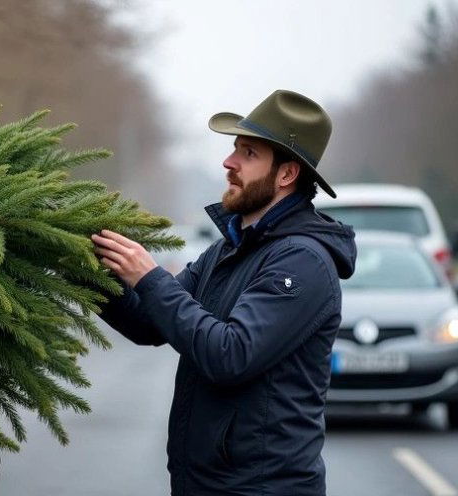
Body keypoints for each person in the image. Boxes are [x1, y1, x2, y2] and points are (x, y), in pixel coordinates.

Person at [91, 90, 356, 496]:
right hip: (206, 484)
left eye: (248, 154)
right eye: (234, 150)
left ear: (286, 175)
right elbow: (149, 322)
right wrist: (84, 269)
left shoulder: (302, 262)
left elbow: (230, 355)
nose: (228, 163)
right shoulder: (229, 248)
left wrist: (150, 276)